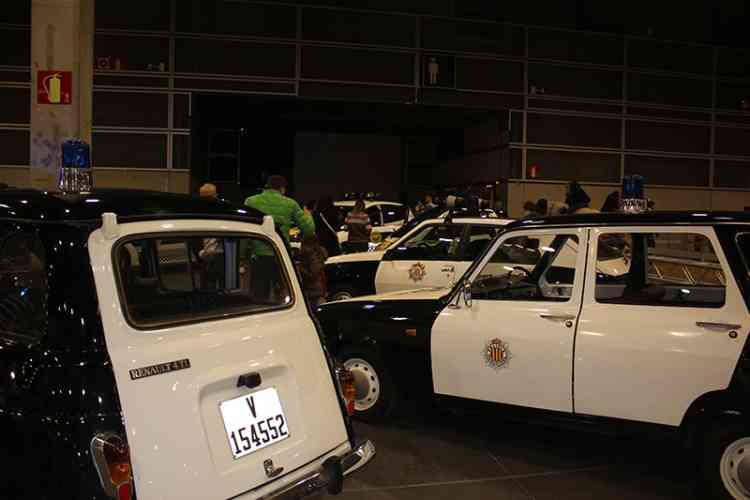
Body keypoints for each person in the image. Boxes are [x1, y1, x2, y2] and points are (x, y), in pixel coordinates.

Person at [245, 175, 314, 300]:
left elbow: (245, 230)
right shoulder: (290, 204)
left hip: (258, 256)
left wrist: (242, 256)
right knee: (282, 297)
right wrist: (308, 215)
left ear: (267, 186)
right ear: (282, 189)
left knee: (259, 297)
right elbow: (309, 230)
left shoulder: (250, 201)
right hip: (280, 255)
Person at [198, 183, 224, 288]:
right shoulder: (222, 210)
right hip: (219, 253)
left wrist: (201, 253)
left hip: (205, 254)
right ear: (215, 195)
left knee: (207, 285)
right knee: (223, 284)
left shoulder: (197, 211)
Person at [300, 234, 328, 308]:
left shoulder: (314, 258)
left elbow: (313, 275)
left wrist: (300, 269)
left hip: (314, 291)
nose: (301, 247)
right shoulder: (311, 257)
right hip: (315, 290)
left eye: (303, 244)